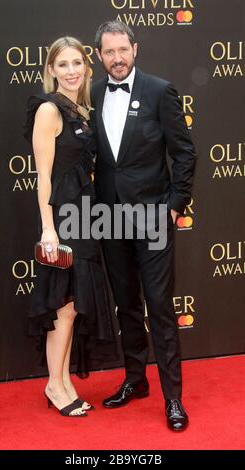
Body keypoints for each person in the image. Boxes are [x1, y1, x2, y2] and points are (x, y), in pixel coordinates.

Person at [91, 21, 196, 431]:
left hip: (153, 215)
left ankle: (174, 398)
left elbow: (184, 152)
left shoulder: (159, 90)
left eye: (123, 50)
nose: (116, 58)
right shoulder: (94, 93)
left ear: (134, 49)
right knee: (127, 305)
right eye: (108, 52)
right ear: (98, 55)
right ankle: (135, 380)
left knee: (160, 307)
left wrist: (174, 206)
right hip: (109, 216)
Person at [24, 36, 115, 417]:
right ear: (51, 70)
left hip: (86, 214)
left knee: (75, 306)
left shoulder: (80, 108)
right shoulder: (49, 110)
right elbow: (43, 176)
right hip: (63, 216)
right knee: (62, 307)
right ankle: (54, 384)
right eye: (63, 64)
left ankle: (61, 380)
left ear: (86, 67)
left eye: (77, 63)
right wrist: (48, 227)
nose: (72, 70)